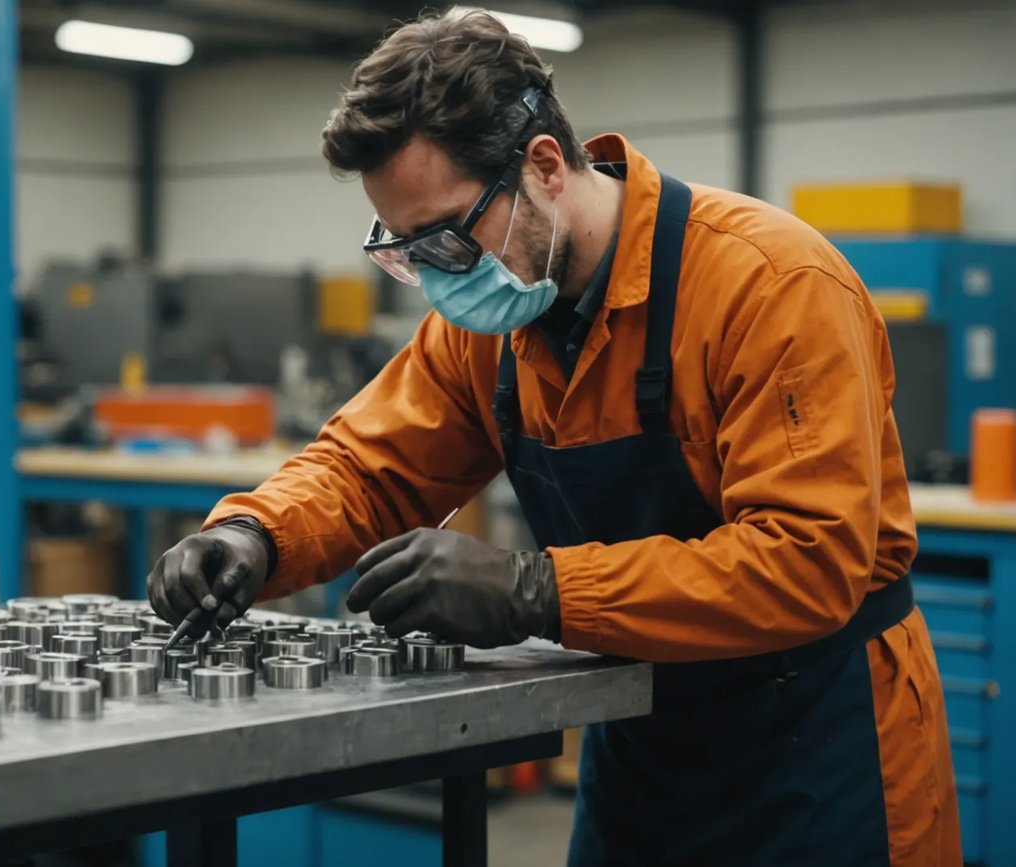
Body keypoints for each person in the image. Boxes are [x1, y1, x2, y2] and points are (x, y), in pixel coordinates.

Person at [147, 10, 959, 866]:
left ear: (543, 167)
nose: (436, 276)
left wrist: (537, 590)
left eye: (451, 237)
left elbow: (805, 560)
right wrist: (256, 531)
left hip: (818, 751)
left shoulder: (769, 286)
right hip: (644, 740)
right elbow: (371, 465)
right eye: (407, 250)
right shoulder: (492, 323)